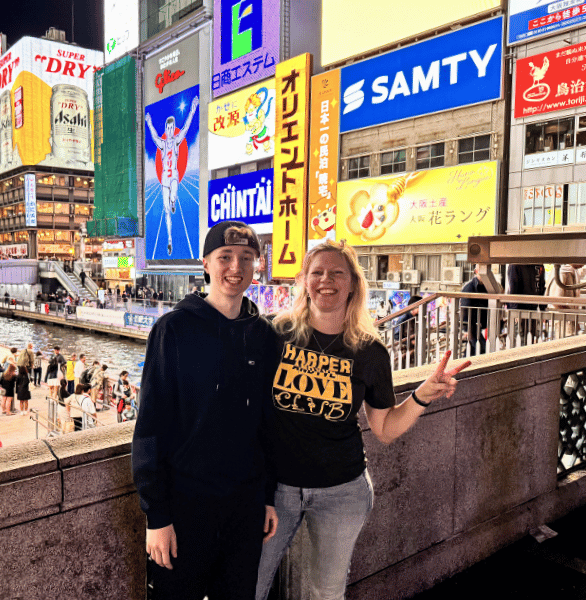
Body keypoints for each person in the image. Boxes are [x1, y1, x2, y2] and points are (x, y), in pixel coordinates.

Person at [255, 240, 470, 600]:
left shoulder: (369, 350)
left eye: (337, 273)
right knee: (249, 585)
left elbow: (384, 428)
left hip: (342, 491)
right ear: (304, 281)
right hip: (275, 490)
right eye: (317, 272)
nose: (327, 280)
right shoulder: (275, 334)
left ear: (353, 283)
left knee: (326, 593)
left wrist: (421, 396)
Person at [132, 221, 279, 600]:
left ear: (257, 265)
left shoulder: (264, 335)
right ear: (206, 263)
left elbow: (268, 425)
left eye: (246, 258)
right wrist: (157, 516)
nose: (236, 268)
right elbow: (150, 427)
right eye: (225, 257)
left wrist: (268, 497)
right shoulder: (173, 329)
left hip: (245, 508)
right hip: (185, 507)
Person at [144, 95, 199, 256]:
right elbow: (154, 135)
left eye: (171, 128)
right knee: (166, 210)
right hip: (164, 179)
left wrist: (193, 108)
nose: (169, 131)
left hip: (173, 175)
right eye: (167, 128)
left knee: (173, 195)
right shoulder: (162, 144)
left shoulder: (176, 141)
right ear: (165, 130)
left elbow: (187, 127)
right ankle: (169, 240)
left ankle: (174, 200)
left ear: (173, 128)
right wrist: (148, 122)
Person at [506, 263, 546, 343]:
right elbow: (541, 288)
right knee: (529, 338)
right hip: (532, 308)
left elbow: (513, 287)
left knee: (519, 339)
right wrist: (542, 308)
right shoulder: (539, 264)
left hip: (520, 309)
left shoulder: (515, 264)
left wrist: (514, 309)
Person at [461, 266, 489, 355]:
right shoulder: (469, 288)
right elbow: (464, 309)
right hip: (472, 325)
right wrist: (466, 328)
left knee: (474, 349)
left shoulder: (485, 287)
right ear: (476, 272)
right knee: (481, 348)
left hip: (478, 324)